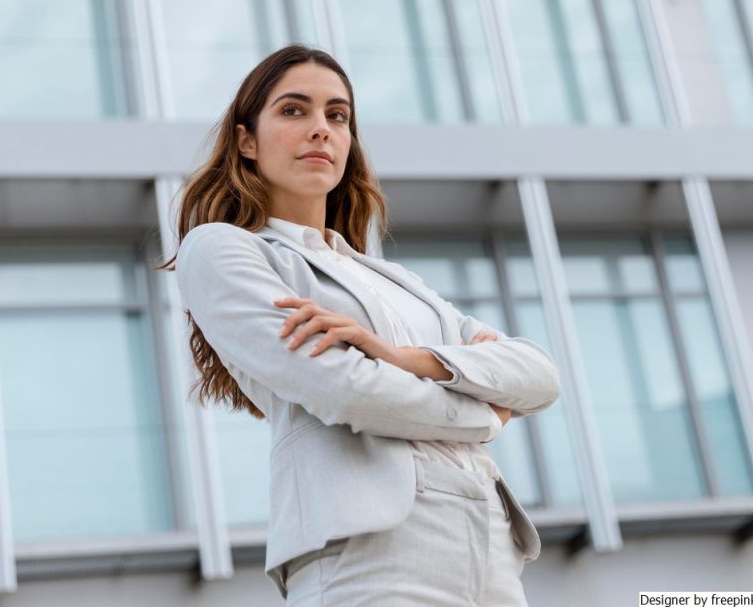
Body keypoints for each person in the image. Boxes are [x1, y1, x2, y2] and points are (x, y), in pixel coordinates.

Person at [159, 44, 562, 606]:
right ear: (247, 140)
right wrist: (485, 414)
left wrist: (402, 357)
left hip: (491, 551)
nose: (321, 129)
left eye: (337, 115)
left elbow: (539, 376)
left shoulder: (394, 279)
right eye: (294, 111)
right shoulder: (226, 250)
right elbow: (345, 389)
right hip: (370, 554)